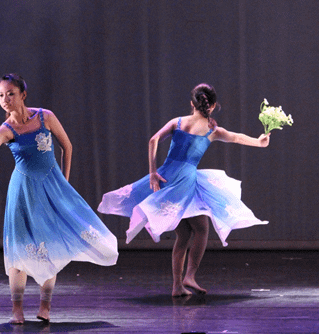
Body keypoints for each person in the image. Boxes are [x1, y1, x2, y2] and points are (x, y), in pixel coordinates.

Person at [0, 74, 118, 324]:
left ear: (23, 94)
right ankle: (17, 309)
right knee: (19, 249)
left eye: (10, 93)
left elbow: (67, 146)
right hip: (23, 192)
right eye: (1, 95)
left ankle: (45, 306)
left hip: (52, 187)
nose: (5, 99)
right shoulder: (6, 130)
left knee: (50, 246)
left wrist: (63, 183)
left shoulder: (46, 117)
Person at [98, 83, 270, 297]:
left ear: (192, 103)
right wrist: (259, 142)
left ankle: (177, 286)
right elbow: (235, 137)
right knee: (202, 229)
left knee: (184, 233)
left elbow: (154, 140)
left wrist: (152, 172)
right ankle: (189, 276)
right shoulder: (212, 130)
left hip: (166, 176)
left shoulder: (177, 122)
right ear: (214, 105)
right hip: (186, 180)